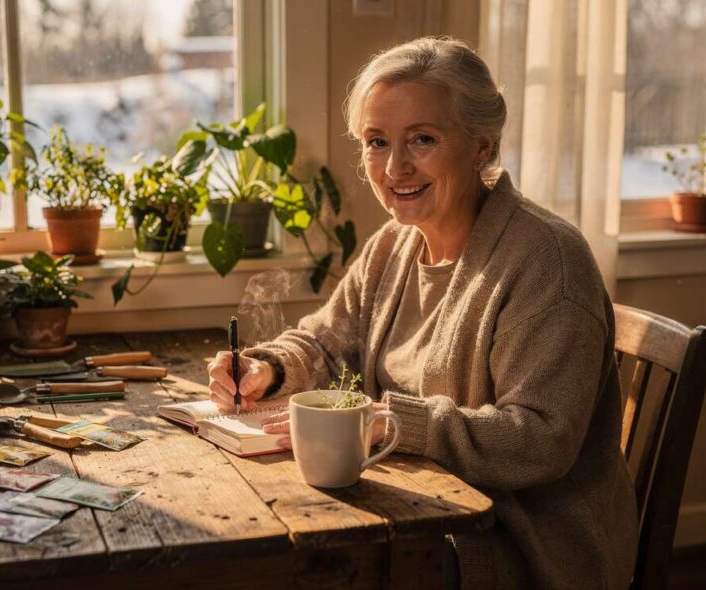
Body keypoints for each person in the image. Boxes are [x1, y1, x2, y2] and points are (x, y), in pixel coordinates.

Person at [206, 36, 639, 588]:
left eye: (423, 139)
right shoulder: (395, 243)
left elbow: (541, 440)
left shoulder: (547, 261)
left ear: (482, 146)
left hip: (523, 545)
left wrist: (391, 423)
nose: (394, 167)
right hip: (421, 507)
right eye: (377, 142)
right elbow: (325, 339)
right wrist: (270, 367)